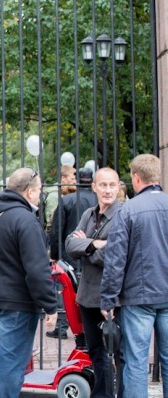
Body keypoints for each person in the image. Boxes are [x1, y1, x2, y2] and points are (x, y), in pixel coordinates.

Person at [0, 168, 58, 398]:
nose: (40, 195)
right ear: (29, 192)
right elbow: (37, 269)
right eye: (39, 190)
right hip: (18, 302)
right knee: (11, 365)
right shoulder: (26, 220)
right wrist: (50, 305)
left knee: (0, 358)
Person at [101, 154, 168, 397]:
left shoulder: (128, 210)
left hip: (137, 298)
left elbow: (115, 259)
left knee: (136, 362)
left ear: (136, 178)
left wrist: (108, 299)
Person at [65, 167, 124, 398]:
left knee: (118, 354)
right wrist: (97, 244)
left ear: (118, 187)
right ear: (94, 187)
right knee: (97, 353)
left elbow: (116, 255)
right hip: (88, 296)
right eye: (103, 185)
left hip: (112, 298)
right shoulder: (88, 214)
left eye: (112, 185)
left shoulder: (123, 215)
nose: (108, 190)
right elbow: (70, 245)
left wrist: (87, 245)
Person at [48, 167, 96, 340]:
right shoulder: (99, 199)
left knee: (67, 290)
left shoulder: (67, 200)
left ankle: (61, 326)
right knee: (90, 289)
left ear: (77, 180)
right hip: (93, 253)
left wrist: (55, 254)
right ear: (92, 181)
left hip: (71, 253)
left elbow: (56, 230)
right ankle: (88, 328)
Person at [43, 165, 76, 235]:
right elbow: (51, 223)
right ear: (63, 178)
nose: (75, 181)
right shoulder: (54, 195)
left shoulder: (67, 193)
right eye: (72, 179)